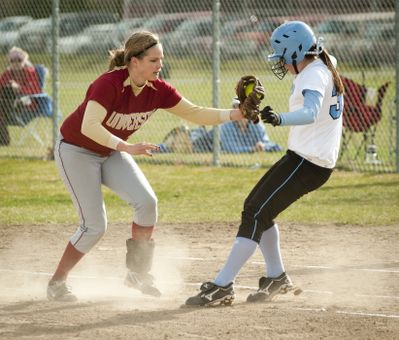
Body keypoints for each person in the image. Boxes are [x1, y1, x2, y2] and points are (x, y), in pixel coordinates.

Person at [47, 31, 256, 302]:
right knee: (95, 225)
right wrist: (125, 147)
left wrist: (236, 114)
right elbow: (89, 126)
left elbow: (195, 112)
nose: (160, 66)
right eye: (154, 60)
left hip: (110, 150)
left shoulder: (158, 89)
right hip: (76, 150)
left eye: (161, 60)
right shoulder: (108, 84)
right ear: (134, 61)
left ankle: (137, 273)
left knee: (147, 203)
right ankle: (57, 282)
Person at [185, 21, 344, 306]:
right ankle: (276, 277)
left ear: (297, 52)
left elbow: (309, 112)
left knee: (254, 212)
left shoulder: (314, 75)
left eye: (283, 55)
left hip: (308, 162)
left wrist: (279, 118)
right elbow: (311, 103)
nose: (281, 61)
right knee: (259, 210)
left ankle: (222, 285)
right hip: (309, 159)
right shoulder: (324, 62)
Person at [158, 98, 282, 154]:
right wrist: (252, 149)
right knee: (177, 147)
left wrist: (265, 146)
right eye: (237, 107)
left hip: (208, 145)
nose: (240, 111)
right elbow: (230, 149)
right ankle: (156, 147)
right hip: (201, 143)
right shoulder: (228, 125)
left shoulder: (256, 124)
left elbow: (268, 143)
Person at [0, 47, 41, 145]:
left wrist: (18, 88)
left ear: (24, 61)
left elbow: (35, 90)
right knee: (6, 90)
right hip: (8, 105)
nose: (16, 63)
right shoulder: (7, 73)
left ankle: (4, 141)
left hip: (26, 103)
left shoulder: (30, 72)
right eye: (12, 60)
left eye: (19, 60)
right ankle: (3, 141)